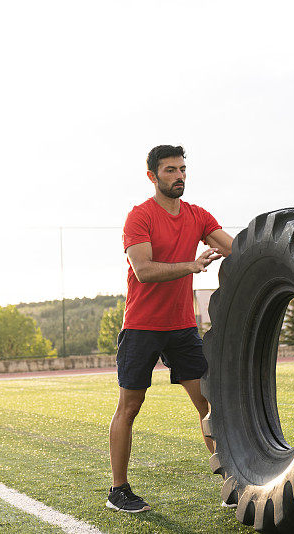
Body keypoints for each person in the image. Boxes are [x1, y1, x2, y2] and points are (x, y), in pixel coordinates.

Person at [106, 145, 234, 513]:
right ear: (152, 176)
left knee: (208, 404)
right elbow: (144, 271)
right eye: (169, 171)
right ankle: (119, 491)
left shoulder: (197, 215)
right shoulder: (140, 216)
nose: (178, 176)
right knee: (129, 407)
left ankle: (231, 482)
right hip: (142, 327)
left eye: (181, 170)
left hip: (181, 328)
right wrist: (191, 266)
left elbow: (233, 248)